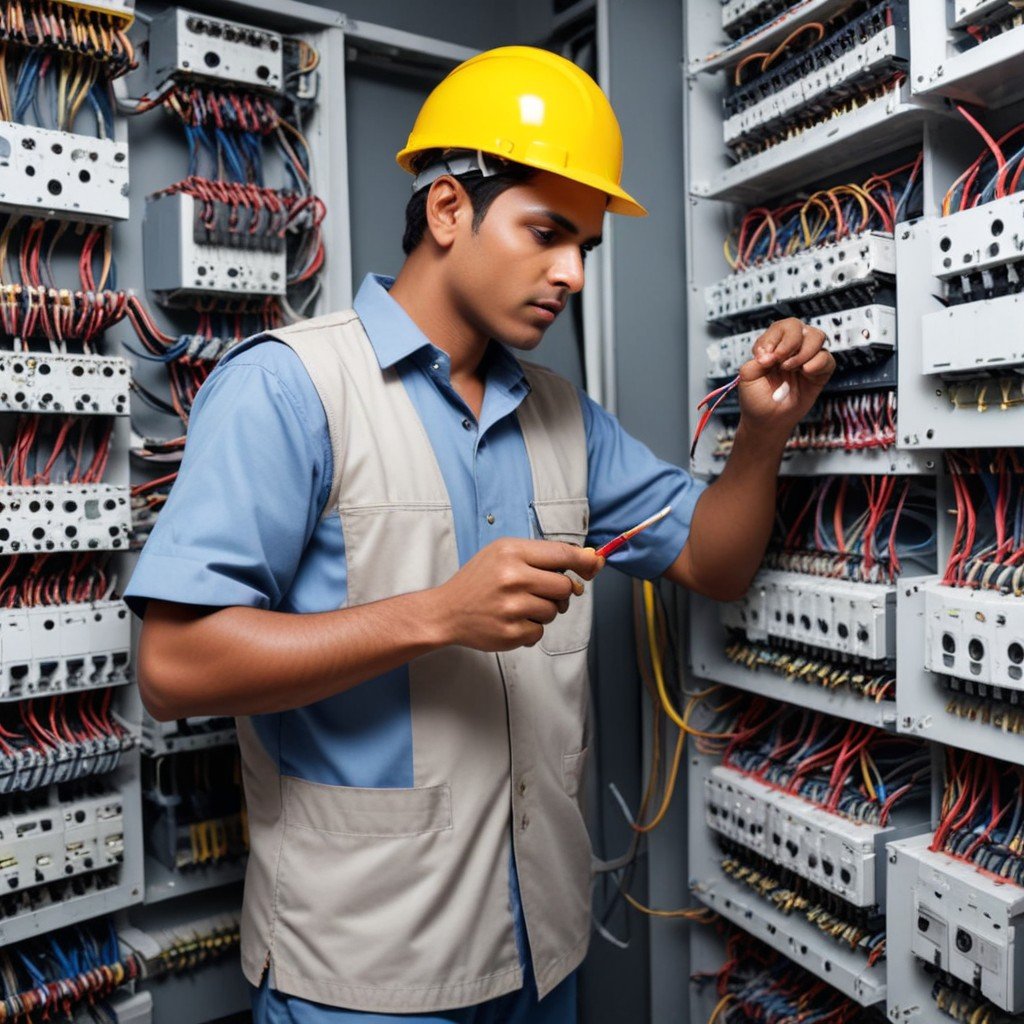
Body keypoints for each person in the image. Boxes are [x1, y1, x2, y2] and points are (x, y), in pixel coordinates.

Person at [126, 45, 834, 1024]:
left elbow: (713, 561)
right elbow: (173, 664)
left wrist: (763, 432)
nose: (571, 272)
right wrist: (438, 613)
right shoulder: (289, 387)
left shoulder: (561, 417)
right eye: (546, 232)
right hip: (363, 972)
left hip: (540, 951)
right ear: (450, 210)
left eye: (584, 244)